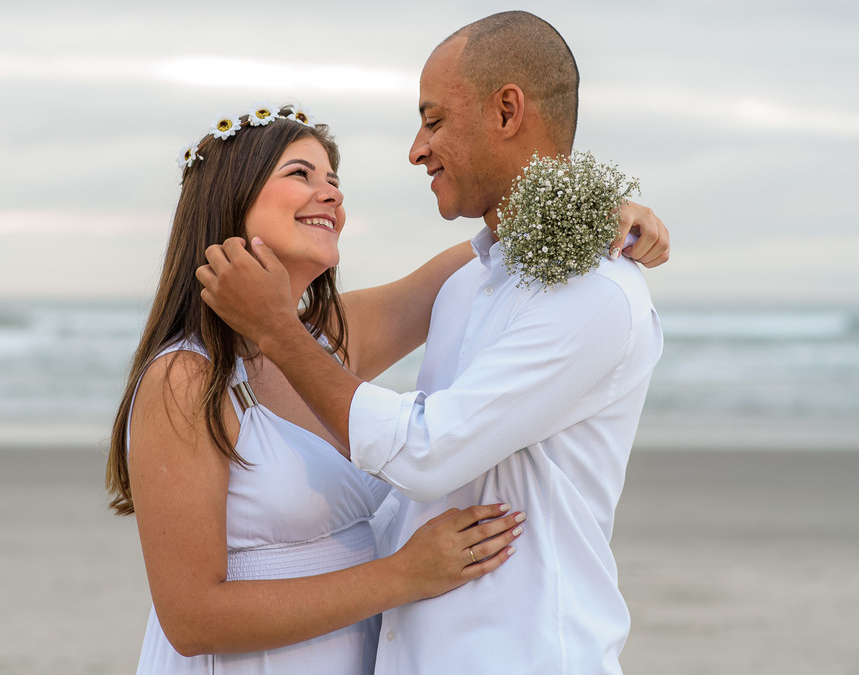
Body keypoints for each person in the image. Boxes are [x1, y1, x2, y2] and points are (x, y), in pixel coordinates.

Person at [198, 11, 666, 675]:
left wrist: (277, 327)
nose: (417, 148)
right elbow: (410, 504)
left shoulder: (595, 295)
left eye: (435, 119)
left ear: (508, 110)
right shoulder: (466, 287)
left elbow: (425, 451)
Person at [105, 106, 529, 675]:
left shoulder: (328, 342)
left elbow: (480, 257)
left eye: (334, 181)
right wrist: (404, 575)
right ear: (231, 199)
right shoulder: (186, 378)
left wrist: (594, 212)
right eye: (301, 175)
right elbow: (191, 618)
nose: (330, 195)